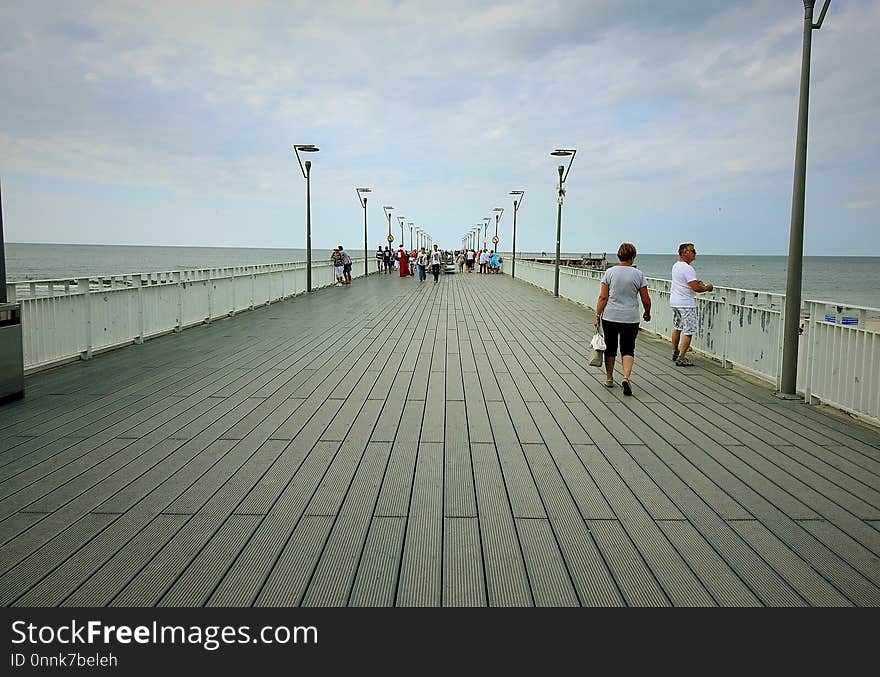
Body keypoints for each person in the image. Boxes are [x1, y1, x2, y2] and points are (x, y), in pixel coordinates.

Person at [594, 242, 651, 396]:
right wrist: (647, 312)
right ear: (633, 257)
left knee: (611, 348)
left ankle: (610, 378)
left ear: (619, 255)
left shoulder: (610, 273)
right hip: (630, 318)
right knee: (628, 348)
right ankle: (626, 377)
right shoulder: (638, 274)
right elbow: (646, 299)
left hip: (611, 316)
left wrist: (597, 314)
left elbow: (603, 296)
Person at [670, 242, 713, 366]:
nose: (695, 253)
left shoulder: (676, 266)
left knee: (677, 327)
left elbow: (684, 282)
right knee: (688, 331)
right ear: (685, 253)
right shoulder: (688, 268)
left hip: (675, 302)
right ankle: (682, 358)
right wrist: (707, 287)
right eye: (692, 251)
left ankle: (675, 352)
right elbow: (696, 288)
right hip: (686, 304)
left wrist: (695, 282)